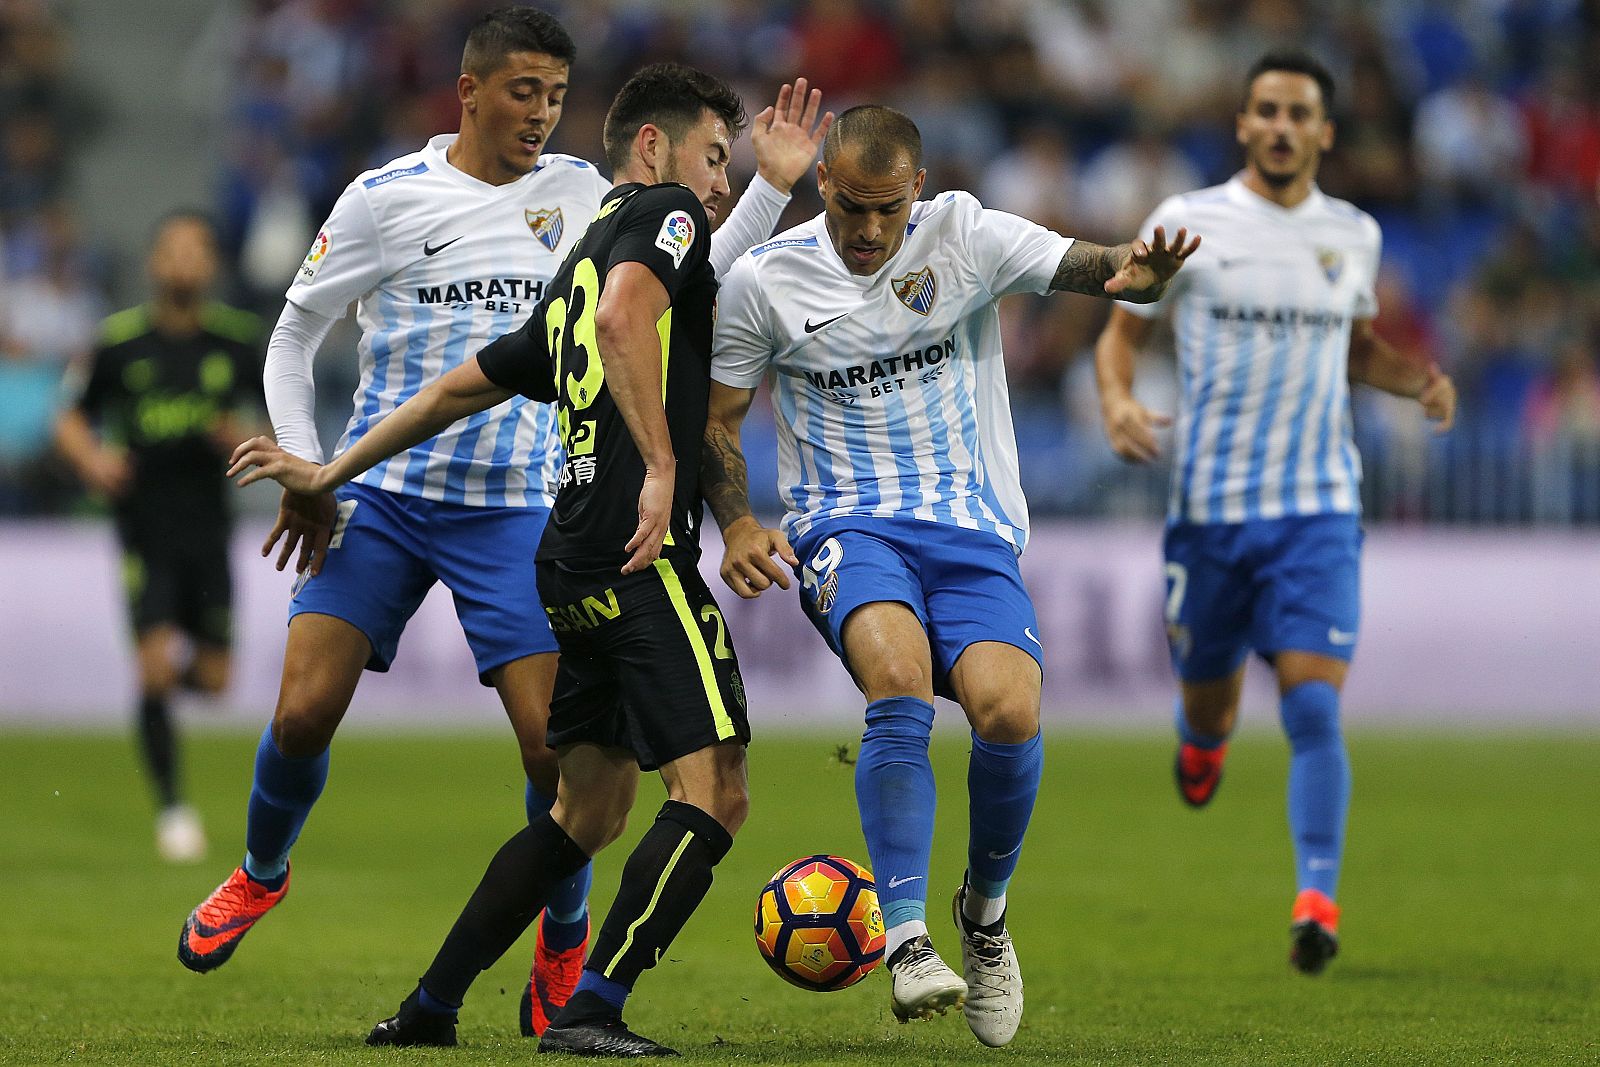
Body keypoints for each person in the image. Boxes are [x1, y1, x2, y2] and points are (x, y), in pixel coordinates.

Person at [175, 5, 828, 1041]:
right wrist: (313, 463)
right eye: (524, 92)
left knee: (551, 758)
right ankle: (260, 872)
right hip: (387, 501)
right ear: (470, 91)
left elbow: (684, 266)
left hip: (520, 509)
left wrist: (767, 188)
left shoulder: (584, 195)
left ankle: (559, 939)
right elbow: (297, 329)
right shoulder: (386, 196)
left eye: (558, 97)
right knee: (302, 712)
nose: (541, 114)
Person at [699, 105, 1197, 1047]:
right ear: (823, 188)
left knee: (1009, 711)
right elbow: (721, 418)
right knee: (897, 679)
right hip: (843, 522)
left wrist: (1132, 273)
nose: (870, 231)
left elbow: (1086, 264)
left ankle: (985, 913)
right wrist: (734, 522)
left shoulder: (964, 234)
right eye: (852, 207)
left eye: (888, 210)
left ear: (915, 192)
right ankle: (907, 935)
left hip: (972, 525)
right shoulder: (765, 282)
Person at [1091, 51, 1457, 975]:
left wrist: (1417, 379)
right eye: (1267, 110)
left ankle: (1317, 898)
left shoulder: (1355, 236)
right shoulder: (1188, 221)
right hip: (1210, 513)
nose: (1283, 126)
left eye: (1300, 112)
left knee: (1313, 706)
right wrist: (1117, 401)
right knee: (1209, 704)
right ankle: (1202, 740)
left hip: (1318, 511)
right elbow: (1121, 326)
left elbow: (1355, 347)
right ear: (1244, 124)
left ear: (1326, 131)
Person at [54, 211, 262, 863]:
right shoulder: (118, 344)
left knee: (215, 679)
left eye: (195, 251)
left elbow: (282, 420)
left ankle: (153, 702)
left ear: (212, 265)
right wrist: (92, 460)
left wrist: (255, 443)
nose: (182, 262)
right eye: (171, 250)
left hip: (211, 532)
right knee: (151, 663)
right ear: (153, 263)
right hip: (144, 531)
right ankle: (174, 808)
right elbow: (70, 418)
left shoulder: (237, 342)